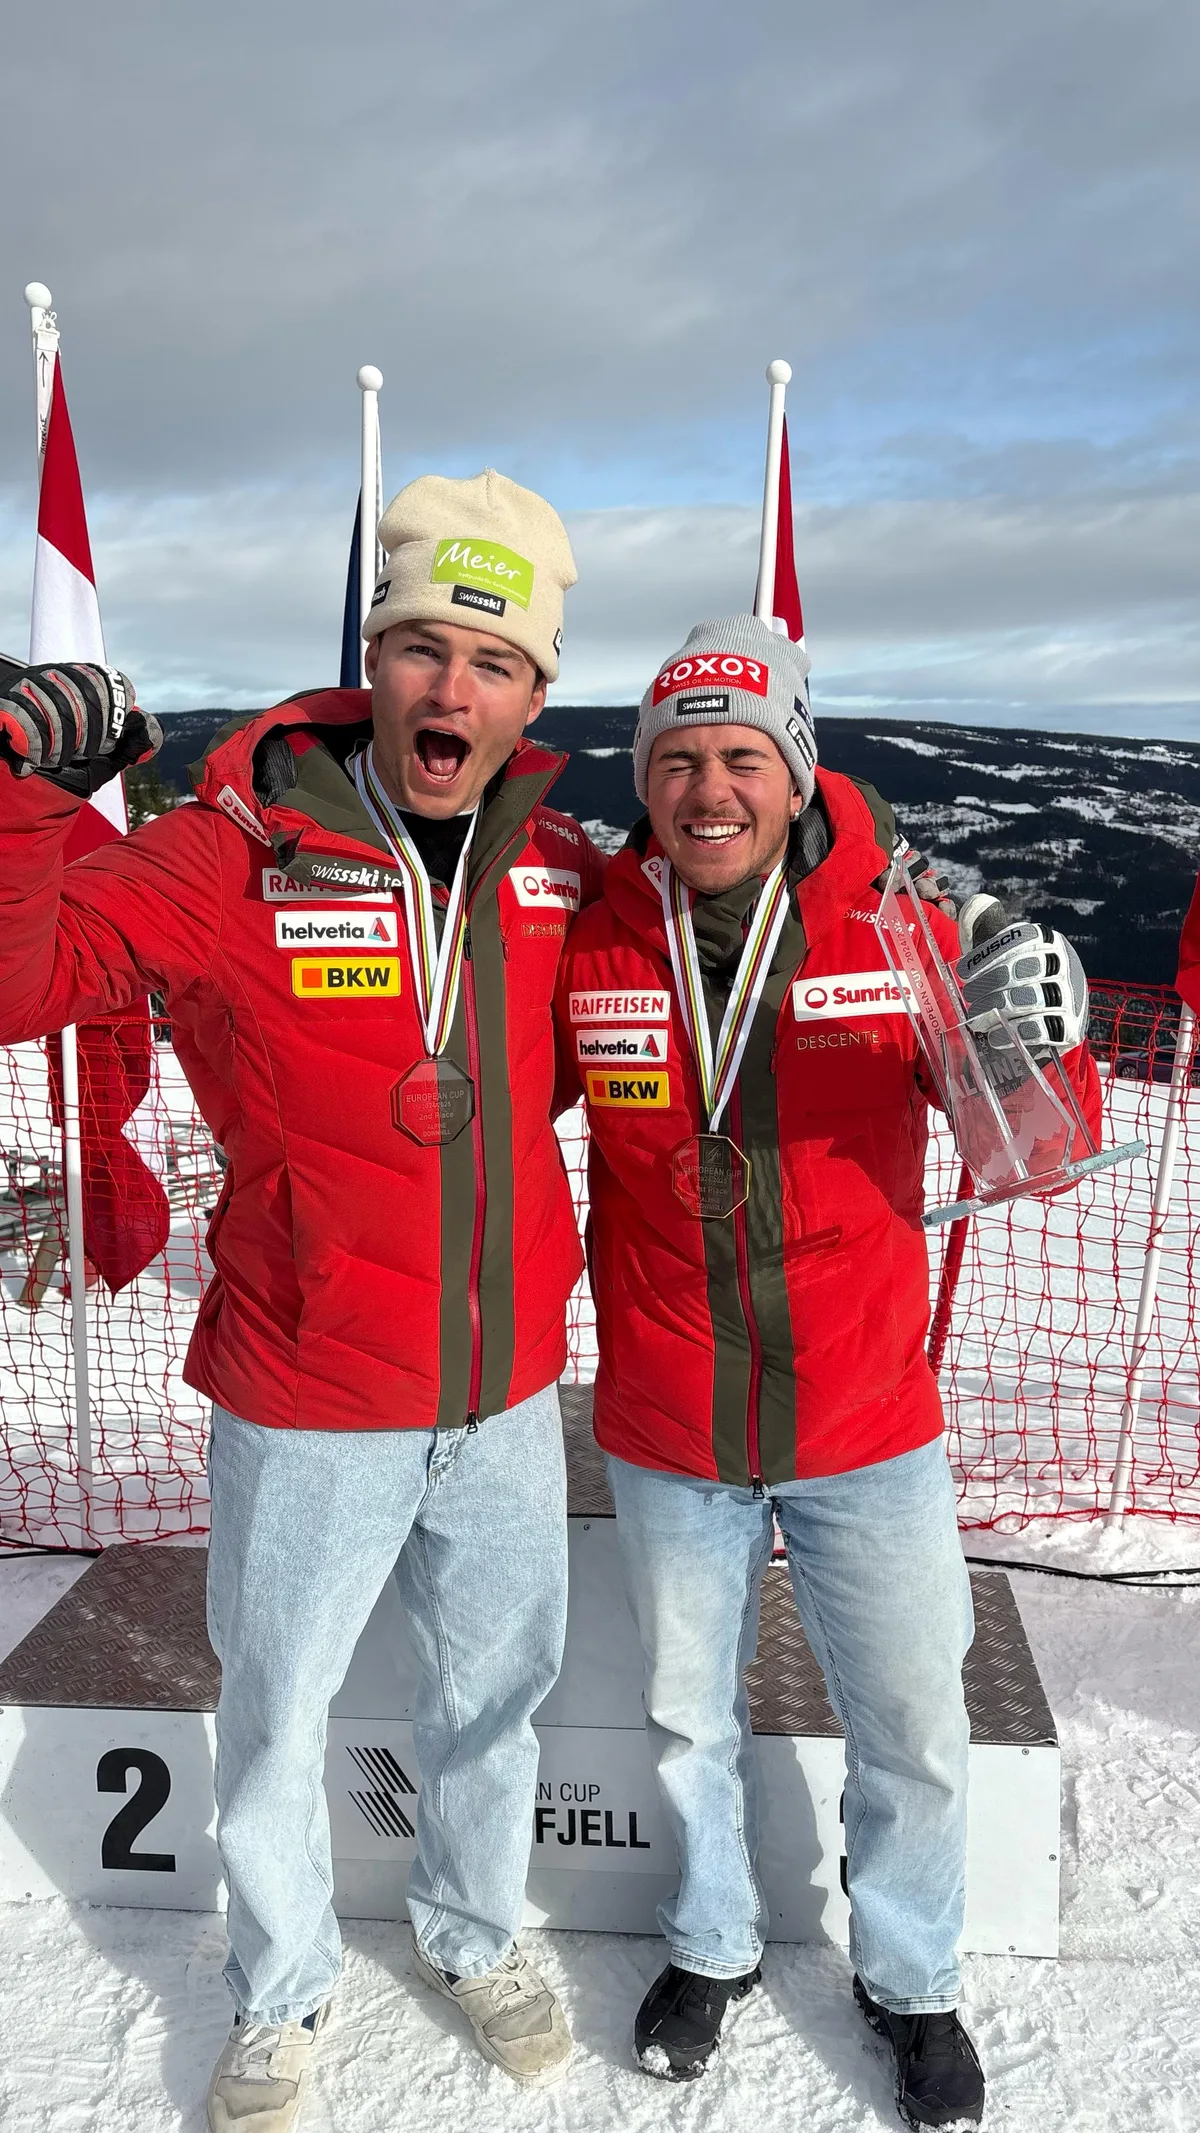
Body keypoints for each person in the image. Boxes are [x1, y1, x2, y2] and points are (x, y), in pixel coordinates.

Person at [0, 469, 606, 2128]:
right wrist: (18, 796)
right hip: (306, 1389)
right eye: (424, 649)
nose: (455, 689)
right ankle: (279, 1993)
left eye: (494, 664)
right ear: (378, 657)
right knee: (278, 1718)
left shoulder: (556, 867)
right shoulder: (234, 847)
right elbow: (20, 978)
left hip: (497, 1395)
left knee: (496, 1701)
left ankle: (474, 1933)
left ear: (535, 693)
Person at [554, 614, 1099, 2129]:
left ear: (796, 774)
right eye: (676, 761)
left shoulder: (903, 921)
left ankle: (912, 1979)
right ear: (647, 783)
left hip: (865, 1418)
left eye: (740, 756)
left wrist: (1038, 1043)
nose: (707, 788)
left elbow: (1038, 1148)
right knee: (683, 1720)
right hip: (671, 1416)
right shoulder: (601, 931)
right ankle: (714, 1944)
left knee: (914, 1721)